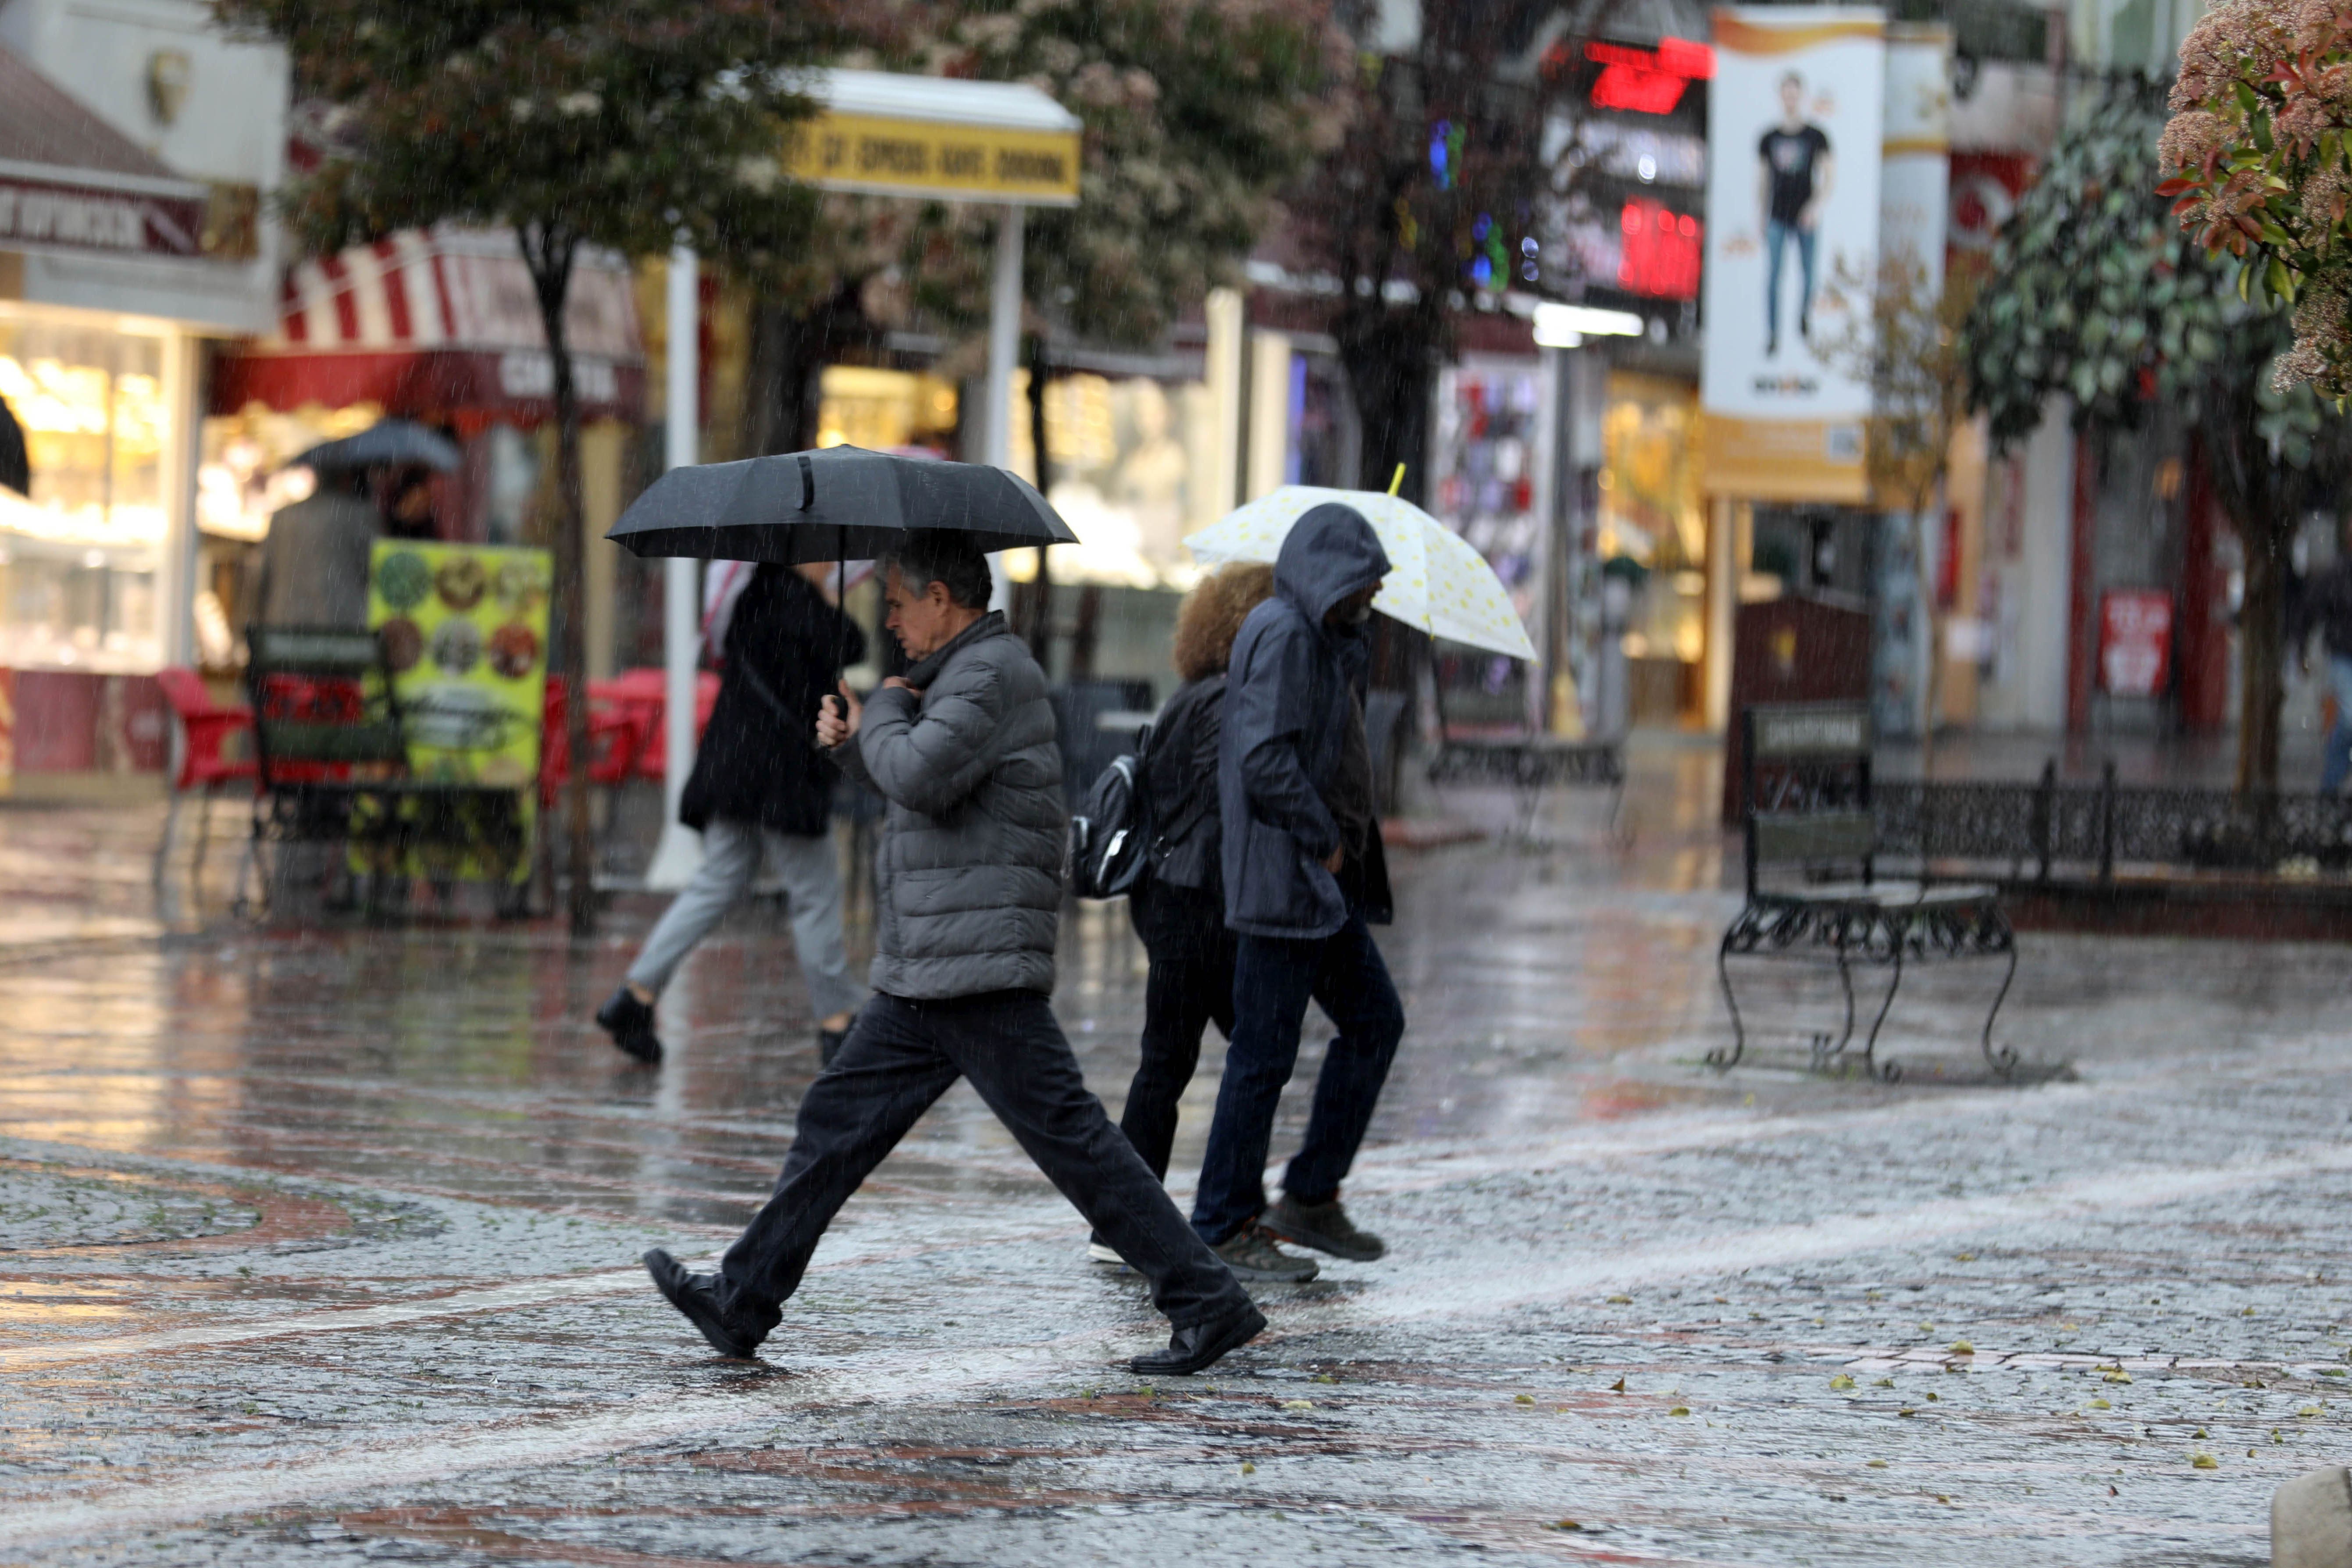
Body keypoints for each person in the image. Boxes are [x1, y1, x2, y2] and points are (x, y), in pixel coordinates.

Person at [643, 529, 1264, 1377]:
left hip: (974, 959)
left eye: (897, 601)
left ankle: (1207, 1300)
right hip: (931, 962)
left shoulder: (990, 674)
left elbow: (924, 775)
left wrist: (884, 710)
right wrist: (851, 743)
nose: (888, 618)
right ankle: (743, 1298)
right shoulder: (954, 677)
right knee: (836, 1124)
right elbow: (922, 788)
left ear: (942, 598)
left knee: (1074, 1142)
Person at [1189, 503, 1405, 1281]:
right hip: (1289, 879)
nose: (1374, 596)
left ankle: (1309, 1193)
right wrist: (1326, 840)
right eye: (1365, 582)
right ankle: (1221, 1221)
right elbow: (1263, 759)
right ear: (1330, 576)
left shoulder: (1318, 637)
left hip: (1315, 886)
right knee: (1262, 1057)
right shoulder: (1283, 633)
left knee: (1373, 1021)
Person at [597, 562, 867, 1066]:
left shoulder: (750, 598)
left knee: (716, 881)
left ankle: (636, 994)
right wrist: (830, 604)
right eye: (824, 556)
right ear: (801, 556)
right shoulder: (802, 607)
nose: (834, 565)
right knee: (815, 894)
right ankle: (837, 1023)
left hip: (732, 767)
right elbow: (850, 644)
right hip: (781, 779)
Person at [1088, 563, 1276, 1266]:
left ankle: (1132, 1222)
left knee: (1173, 1064)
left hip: (1173, 899)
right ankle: (1212, 1216)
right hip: (1201, 905)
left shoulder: (1196, 695)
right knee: (1240, 1056)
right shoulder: (1229, 701)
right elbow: (1226, 807)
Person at [1757, 70, 1834, 358]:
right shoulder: (1769, 138)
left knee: (1809, 275)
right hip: (1777, 214)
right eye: (1786, 92)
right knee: (1773, 278)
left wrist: (1815, 206)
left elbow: (1830, 177)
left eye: (1795, 92)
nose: (1791, 98)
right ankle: (1773, 335)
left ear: (1801, 96)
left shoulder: (1816, 136)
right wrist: (1760, 214)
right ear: (1781, 96)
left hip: (1805, 216)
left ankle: (1804, 319)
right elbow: (1762, 180)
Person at [252, 465, 383, 630]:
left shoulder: (283, 516)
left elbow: (263, 575)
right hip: (342, 626)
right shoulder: (359, 516)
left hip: (284, 625)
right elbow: (376, 571)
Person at [2295, 517, 2352, 792]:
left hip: (2343, 653)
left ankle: (2333, 779)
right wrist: (2301, 648)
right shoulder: (2337, 573)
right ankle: (2331, 783)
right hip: (2343, 656)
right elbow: (2309, 611)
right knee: (2351, 716)